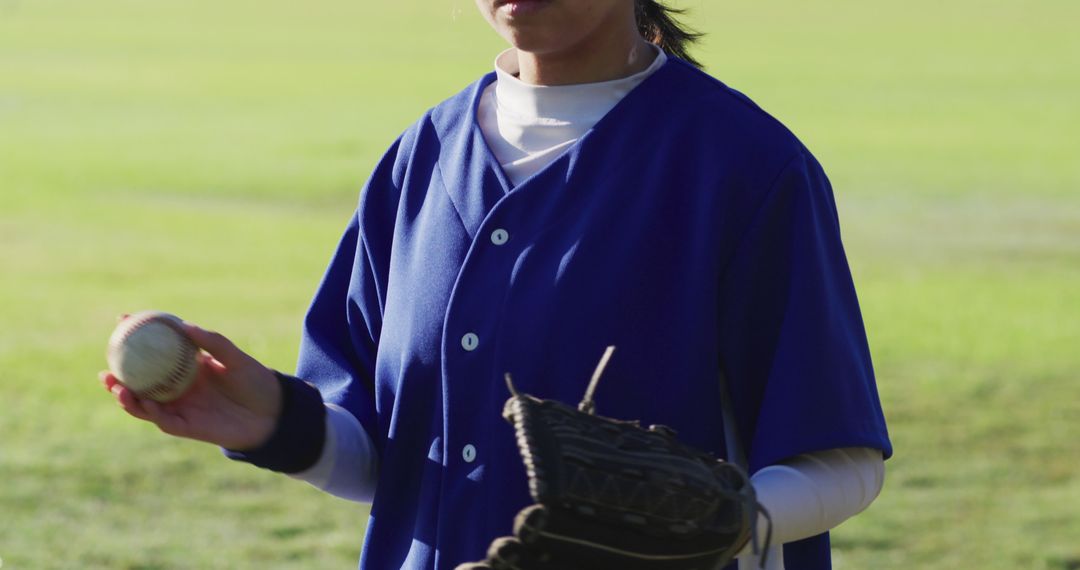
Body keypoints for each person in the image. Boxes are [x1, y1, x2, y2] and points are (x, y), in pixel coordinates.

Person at [101, 1, 892, 568]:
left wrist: (721, 525)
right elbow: (398, 465)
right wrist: (271, 422)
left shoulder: (742, 167)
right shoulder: (421, 156)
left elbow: (842, 459)